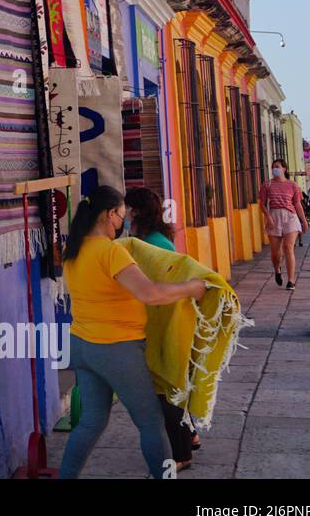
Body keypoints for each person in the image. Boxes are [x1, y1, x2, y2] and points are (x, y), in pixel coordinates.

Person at [59, 186, 208, 479]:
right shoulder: (110, 252)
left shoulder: (73, 251)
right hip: (118, 349)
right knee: (151, 422)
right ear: (109, 215)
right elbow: (150, 293)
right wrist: (193, 287)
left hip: (83, 346)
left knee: (90, 422)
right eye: (121, 215)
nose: (123, 221)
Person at [124, 186, 199, 471]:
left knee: (165, 392)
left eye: (127, 209)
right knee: (168, 388)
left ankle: (180, 455)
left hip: (165, 325)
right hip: (161, 324)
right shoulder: (151, 240)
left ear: (137, 212)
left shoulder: (152, 244)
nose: (124, 215)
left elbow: (157, 287)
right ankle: (188, 437)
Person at [260, 159, 307, 290]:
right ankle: (277, 270)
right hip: (274, 216)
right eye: (273, 167)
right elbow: (262, 204)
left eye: (277, 166)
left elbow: (297, 204)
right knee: (276, 252)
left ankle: (291, 280)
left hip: (290, 217)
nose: (275, 169)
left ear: (284, 169)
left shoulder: (293, 185)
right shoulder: (267, 185)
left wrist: (303, 221)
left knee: (288, 247)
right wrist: (268, 217)